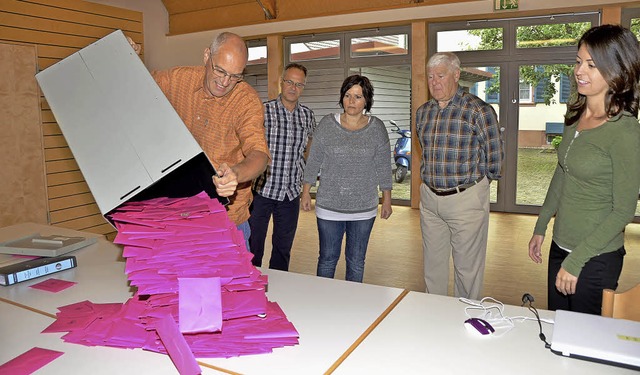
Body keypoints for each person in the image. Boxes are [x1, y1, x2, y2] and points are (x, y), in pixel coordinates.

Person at [528, 25, 640, 315]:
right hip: (560, 246)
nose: (580, 70)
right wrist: (541, 227)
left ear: (617, 70)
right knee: (559, 329)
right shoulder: (575, 112)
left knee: (582, 344)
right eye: (579, 61)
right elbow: (562, 173)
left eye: (592, 64)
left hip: (595, 257)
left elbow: (624, 210)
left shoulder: (625, 130)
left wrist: (577, 261)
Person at [129, 32, 270, 243]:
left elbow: (259, 155)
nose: (225, 81)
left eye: (235, 76)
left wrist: (235, 173)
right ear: (207, 56)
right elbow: (140, 84)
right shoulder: (180, 79)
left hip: (227, 221)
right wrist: (129, 57)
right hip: (179, 213)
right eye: (220, 70)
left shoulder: (246, 101)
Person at [416, 52, 503, 300]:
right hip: (430, 201)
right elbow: (426, 151)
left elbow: (495, 155)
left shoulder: (478, 110)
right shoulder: (423, 113)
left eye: (440, 75)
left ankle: (467, 318)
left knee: (467, 271)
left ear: (456, 75)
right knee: (433, 269)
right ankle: (434, 315)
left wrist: (480, 187)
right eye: (430, 76)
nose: (434, 82)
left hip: (465, 199)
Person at [301, 74, 392, 283]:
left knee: (356, 261)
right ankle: (323, 304)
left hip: (364, 209)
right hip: (329, 207)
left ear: (367, 100)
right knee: (327, 259)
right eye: (348, 95)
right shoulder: (327, 124)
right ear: (342, 97)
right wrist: (306, 191)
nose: (352, 101)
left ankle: (353, 308)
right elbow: (313, 160)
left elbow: (384, 166)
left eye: (358, 97)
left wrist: (386, 198)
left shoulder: (377, 128)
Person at [249, 63, 317, 270]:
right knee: (253, 248)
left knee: (283, 249)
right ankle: (251, 288)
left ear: (303, 87)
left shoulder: (307, 116)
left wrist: (304, 184)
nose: (293, 88)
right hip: (262, 191)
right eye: (289, 82)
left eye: (299, 84)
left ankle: (279, 289)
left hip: (290, 195)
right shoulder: (263, 111)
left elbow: (309, 150)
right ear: (281, 82)